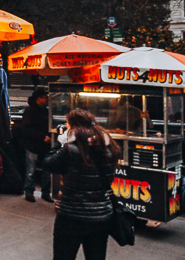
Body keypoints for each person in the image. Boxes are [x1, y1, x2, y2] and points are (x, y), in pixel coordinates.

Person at [43, 109, 121, 260]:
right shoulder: (110, 148)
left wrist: (59, 142)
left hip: (71, 215)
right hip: (101, 215)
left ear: (73, 128)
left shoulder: (70, 150)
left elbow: (48, 164)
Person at [22, 88, 52, 203]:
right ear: (38, 99)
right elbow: (27, 129)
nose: (47, 100)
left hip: (45, 145)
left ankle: (46, 192)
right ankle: (29, 192)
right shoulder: (30, 111)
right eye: (45, 97)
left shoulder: (46, 111)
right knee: (31, 170)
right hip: (33, 145)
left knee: (47, 170)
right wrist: (42, 137)